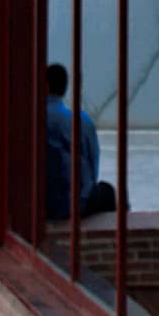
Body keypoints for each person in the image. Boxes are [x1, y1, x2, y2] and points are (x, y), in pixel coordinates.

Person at [45, 63, 117, 220]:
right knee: (109, 192)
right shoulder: (83, 122)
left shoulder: (29, 118)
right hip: (75, 204)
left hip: (38, 203)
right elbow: (93, 169)